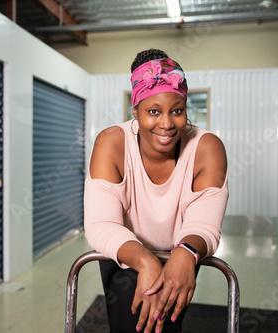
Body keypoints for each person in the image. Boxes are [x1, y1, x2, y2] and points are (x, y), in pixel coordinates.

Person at [84, 48, 228, 333]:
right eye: (153, 111)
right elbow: (101, 225)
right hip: (125, 252)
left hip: (182, 254)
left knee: (165, 328)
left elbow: (205, 225)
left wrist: (185, 253)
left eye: (177, 111)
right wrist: (145, 261)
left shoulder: (207, 148)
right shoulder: (112, 143)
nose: (166, 123)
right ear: (135, 110)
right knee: (131, 327)